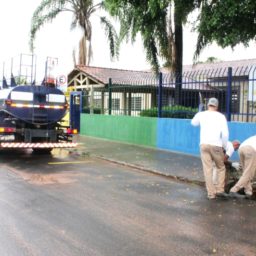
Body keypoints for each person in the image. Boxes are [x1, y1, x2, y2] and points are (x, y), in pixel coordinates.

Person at [191, 97, 229, 199]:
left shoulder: (201, 114)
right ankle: (220, 190)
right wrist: (224, 146)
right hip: (216, 145)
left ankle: (211, 194)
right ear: (217, 106)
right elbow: (225, 134)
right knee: (220, 167)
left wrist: (198, 112)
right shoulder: (221, 116)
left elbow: (193, 123)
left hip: (203, 145)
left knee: (207, 170)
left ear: (208, 105)